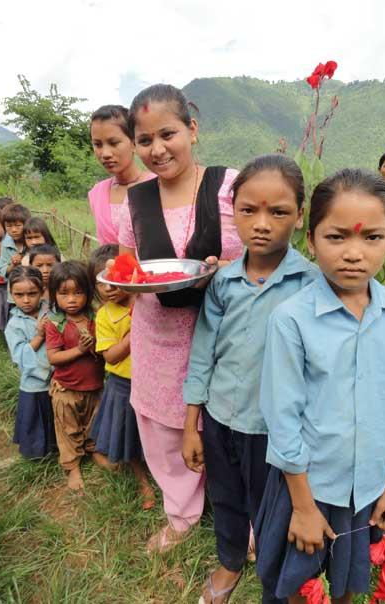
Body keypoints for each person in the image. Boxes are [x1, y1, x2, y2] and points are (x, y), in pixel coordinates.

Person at [256, 169, 385, 604]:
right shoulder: (291, 320)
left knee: (346, 585)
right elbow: (283, 419)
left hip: (368, 489)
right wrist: (303, 508)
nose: (354, 254)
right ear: (311, 238)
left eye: (372, 238)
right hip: (307, 487)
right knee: (296, 586)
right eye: (337, 237)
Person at [183, 155, 318, 604]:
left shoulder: (312, 285)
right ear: (234, 212)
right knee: (226, 497)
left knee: (272, 507)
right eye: (248, 211)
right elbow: (204, 350)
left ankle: (273, 570)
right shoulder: (223, 281)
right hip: (221, 417)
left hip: (275, 431)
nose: (262, 224)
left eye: (278, 212)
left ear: (300, 216)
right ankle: (229, 560)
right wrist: (191, 423)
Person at [118, 83, 243, 553]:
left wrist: (231, 269)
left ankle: (243, 517)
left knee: (233, 426)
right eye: (145, 140)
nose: (157, 149)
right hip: (159, 332)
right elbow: (130, 264)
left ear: (192, 129)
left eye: (167, 134)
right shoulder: (136, 200)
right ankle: (182, 511)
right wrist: (117, 281)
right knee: (164, 429)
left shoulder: (231, 185)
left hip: (229, 334)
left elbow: (266, 246)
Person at [88, 245, 156, 509]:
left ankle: (160, 472)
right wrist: (131, 335)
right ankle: (142, 481)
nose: (110, 286)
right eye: (102, 281)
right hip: (123, 384)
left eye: (117, 277)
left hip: (151, 381)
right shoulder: (104, 316)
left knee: (150, 432)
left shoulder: (145, 302)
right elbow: (111, 357)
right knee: (128, 433)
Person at [45, 261, 104, 491]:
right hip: (66, 389)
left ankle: (94, 449)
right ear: (54, 295)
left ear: (88, 293)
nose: (71, 299)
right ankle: (72, 466)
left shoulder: (96, 318)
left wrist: (94, 345)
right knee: (67, 428)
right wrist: (79, 349)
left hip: (94, 386)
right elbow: (53, 357)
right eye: (64, 293)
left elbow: (104, 351)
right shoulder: (55, 323)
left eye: (78, 293)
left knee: (94, 421)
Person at [5, 266, 56, 459]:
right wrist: (40, 335)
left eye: (32, 294)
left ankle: (57, 447)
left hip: (57, 377)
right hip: (33, 383)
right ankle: (36, 452)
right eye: (19, 295)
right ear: (11, 294)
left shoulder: (50, 311)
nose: (26, 300)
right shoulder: (14, 324)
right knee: (35, 416)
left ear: (42, 291)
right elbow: (20, 356)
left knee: (56, 414)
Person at [88, 105, 154, 249]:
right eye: (97, 144)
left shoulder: (158, 186)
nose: (105, 153)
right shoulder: (97, 193)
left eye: (113, 143)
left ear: (133, 142)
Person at [1, 203, 31, 276]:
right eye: (8, 226)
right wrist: (13, 264)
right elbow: (3, 271)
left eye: (18, 225)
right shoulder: (5, 245)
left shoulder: (33, 240)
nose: (14, 230)